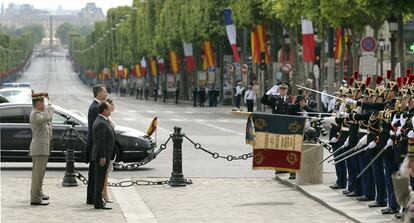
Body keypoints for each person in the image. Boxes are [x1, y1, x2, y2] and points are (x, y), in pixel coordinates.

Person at [29, 93, 54, 205]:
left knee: (40, 174)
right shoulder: (35, 114)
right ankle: (35, 199)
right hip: (39, 148)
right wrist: (50, 106)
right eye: (43, 102)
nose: (44, 104)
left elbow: (47, 122)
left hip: (42, 147)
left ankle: (38, 193)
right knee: (37, 175)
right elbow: (48, 117)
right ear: (38, 103)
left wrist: (47, 102)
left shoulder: (39, 112)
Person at [86, 85, 108, 205]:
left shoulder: (95, 106)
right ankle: (92, 197)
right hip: (95, 147)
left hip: (94, 146)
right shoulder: (96, 108)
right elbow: (97, 131)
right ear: (99, 92)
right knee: (94, 174)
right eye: (105, 91)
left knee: (93, 174)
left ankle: (91, 197)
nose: (107, 93)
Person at [92, 101, 115, 210]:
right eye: (109, 108)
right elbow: (100, 142)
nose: (111, 109)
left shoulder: (102, 120)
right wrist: (102, 157)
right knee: (99, 180)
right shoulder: (101, 122)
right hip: (102, 156)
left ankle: (98, 201)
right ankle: (98, 202)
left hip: (104, 155)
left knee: (100, 179)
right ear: (104, 110)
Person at [102, 98, 116, 204]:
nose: (114, 106)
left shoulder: (108, 118)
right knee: (105, 174)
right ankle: (104, 194)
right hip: (106, 151)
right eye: (112, 104)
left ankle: (104, 192)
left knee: (106, 174)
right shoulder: (105, 119)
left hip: (110, 150)